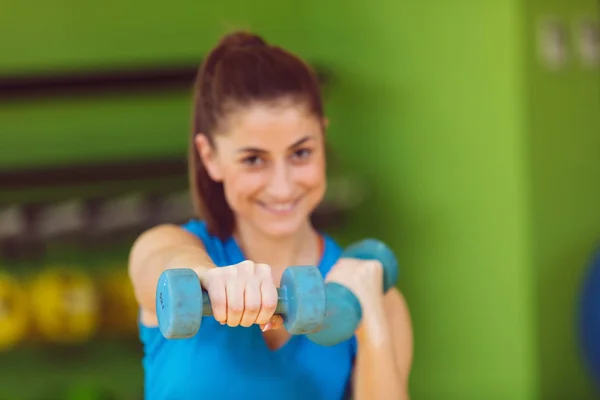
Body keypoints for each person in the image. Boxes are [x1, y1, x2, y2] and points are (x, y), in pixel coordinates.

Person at [128, 31, 413, 400]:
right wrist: (212, 279)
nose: (282, 187)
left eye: (300, 153)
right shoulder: (170, 248)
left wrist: (371, 321)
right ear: (210, 156)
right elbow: (160, 264)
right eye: (253, 160)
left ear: (322, 139)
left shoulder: (372, 294)